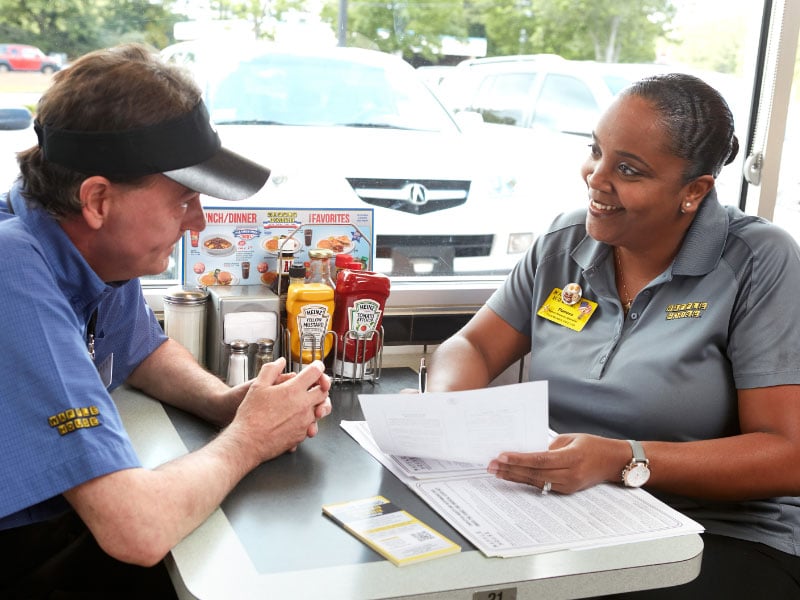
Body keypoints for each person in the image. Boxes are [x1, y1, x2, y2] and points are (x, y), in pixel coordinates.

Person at [427, 73, 800, 598]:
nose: (596, 179)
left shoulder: (759, 261)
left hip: (714, 533)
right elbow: (473, 346)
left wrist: (623, 458)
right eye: (595, 151)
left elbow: (788, 455)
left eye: (628, 170)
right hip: (567, 513)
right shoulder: (563, 244)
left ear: (693, 191)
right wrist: (448, 411)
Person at [0, 44, 332, 599]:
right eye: (183, 201)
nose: (199, 224)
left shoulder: (86, 247)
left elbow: (142, 350)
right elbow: (136, 529)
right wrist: (250, 438)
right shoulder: (12, 270)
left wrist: (228, 403)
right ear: (98, 200)